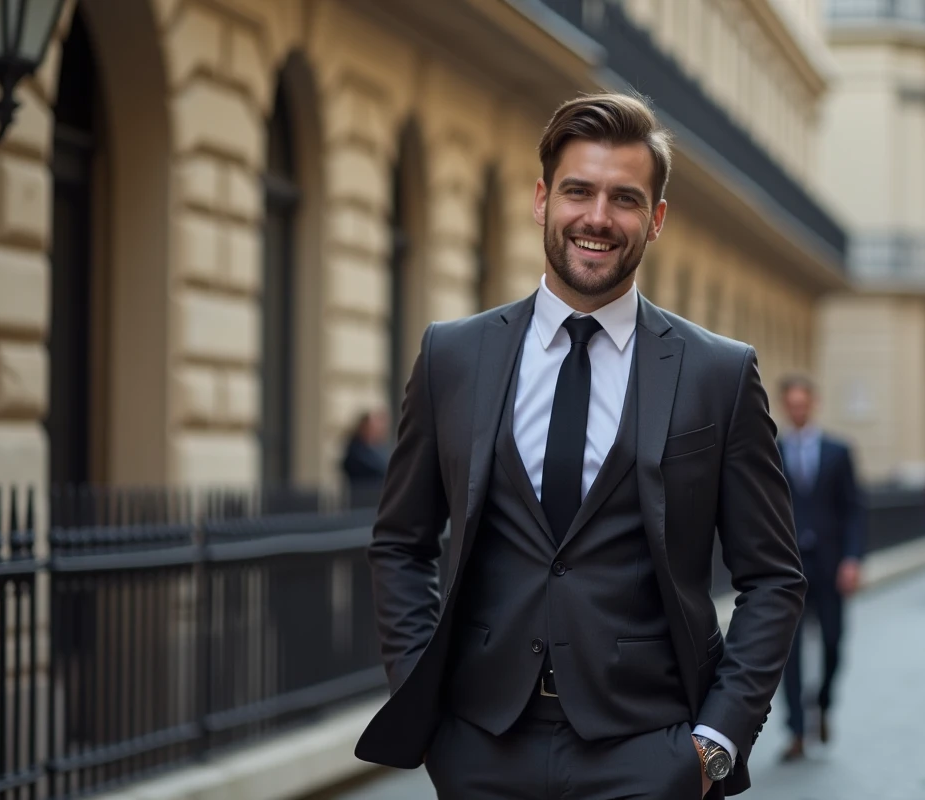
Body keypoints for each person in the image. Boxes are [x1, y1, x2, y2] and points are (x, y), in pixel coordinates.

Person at [354, 92, 806, 799]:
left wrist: (713, 748)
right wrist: (431, 712)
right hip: (481, 752)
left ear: (656, 219)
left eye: (625, 199)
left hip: (650, 753)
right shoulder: (454, 356)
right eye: (578, 191)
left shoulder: (718, 373)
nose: (598, 217)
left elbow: (774, 577)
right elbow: (401, 544)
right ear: (542, 201)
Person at [775, 375, 864, 762]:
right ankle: (796, 729)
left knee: (832, 642)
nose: (798, 410)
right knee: (788, 651)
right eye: (791, 404)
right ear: (784, 406)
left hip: (830, 564)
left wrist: (852, 559)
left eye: (803, 403)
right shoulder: (770, 451)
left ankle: (823, 703)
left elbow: (854, 509)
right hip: (787, 567)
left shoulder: (838, 451)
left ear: (814, 403)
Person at [341, 409, 391, 508]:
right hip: (362, 501)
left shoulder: (378, 448)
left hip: (377, 501)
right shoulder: (356, 451)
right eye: (372, 427)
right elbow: (379, 469)